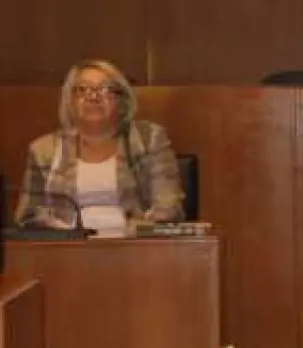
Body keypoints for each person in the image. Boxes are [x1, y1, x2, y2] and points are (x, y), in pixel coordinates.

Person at [14, 59, 184, 236]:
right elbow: (27, 218)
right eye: (82, 89)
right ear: (70, 101)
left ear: (122, 101)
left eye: (105, 89)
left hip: (134, 245)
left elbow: (168, 206)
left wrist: (143, 226)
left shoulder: (148, 139)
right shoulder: (44, 150)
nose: (93, 97)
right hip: (67, 247)